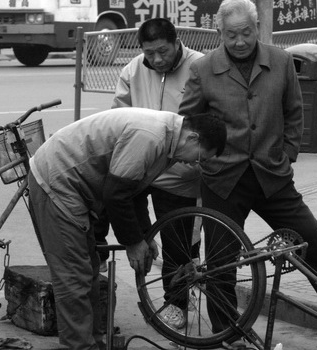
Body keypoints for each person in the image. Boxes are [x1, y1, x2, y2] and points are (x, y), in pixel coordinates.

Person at [178, 0, 317, 332]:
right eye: (231, 35)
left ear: (258, 29)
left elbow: (295, 112)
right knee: (222, 257)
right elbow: (188, 122)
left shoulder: (279, 61)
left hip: (271, 173)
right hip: (223, 179)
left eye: (246, 33)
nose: (239, 42)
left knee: (310, 238)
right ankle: (227, 329)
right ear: (219, 33)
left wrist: (288, 154)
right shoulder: (203, 69)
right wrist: (206, 157)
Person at [28, 107, 226, 350]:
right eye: (199, 158)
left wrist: (144, 234)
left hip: (76, 185)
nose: (193, 164)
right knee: (73, 277)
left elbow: (134, 191)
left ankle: (93, 344)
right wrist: (133, 243)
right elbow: (117, 194)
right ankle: (79, 346)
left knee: (87, 273)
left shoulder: (169, 142)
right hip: (57, 181)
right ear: (193, 138)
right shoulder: (151, 136)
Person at [95, 18, 205, 329]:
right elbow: (118, 114)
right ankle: (97, 265)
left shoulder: (200, 66)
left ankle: (178, 303)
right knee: (108, 206)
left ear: (176, 42)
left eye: (162, 51)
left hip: (181, 170)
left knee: (179, 243)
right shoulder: (133, 70)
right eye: (149, 53)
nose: (156, 60)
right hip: (139, 166)